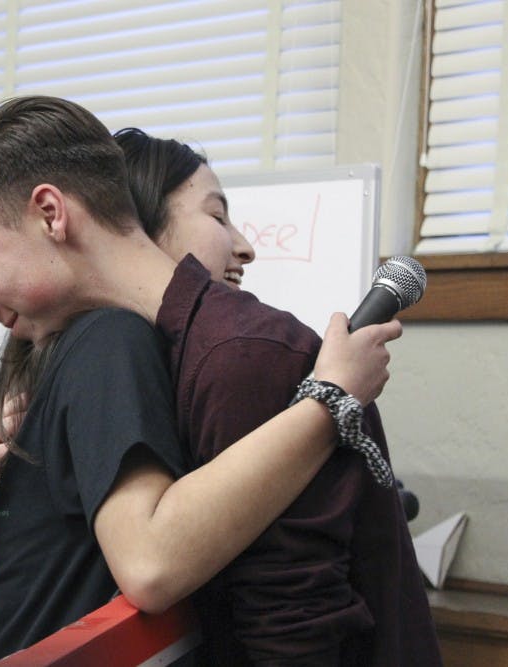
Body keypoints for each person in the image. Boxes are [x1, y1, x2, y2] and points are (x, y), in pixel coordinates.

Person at [0, 96, 404, 667]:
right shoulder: (62, 350)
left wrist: (328, 401)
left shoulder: (205, 350)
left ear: (51, 213)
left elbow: (172, 573)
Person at [113, 127, 442, 665]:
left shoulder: (245, 354)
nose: (245, 245)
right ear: (135, 232)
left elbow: (292, 612)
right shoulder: (161, 363)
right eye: (217, 217)